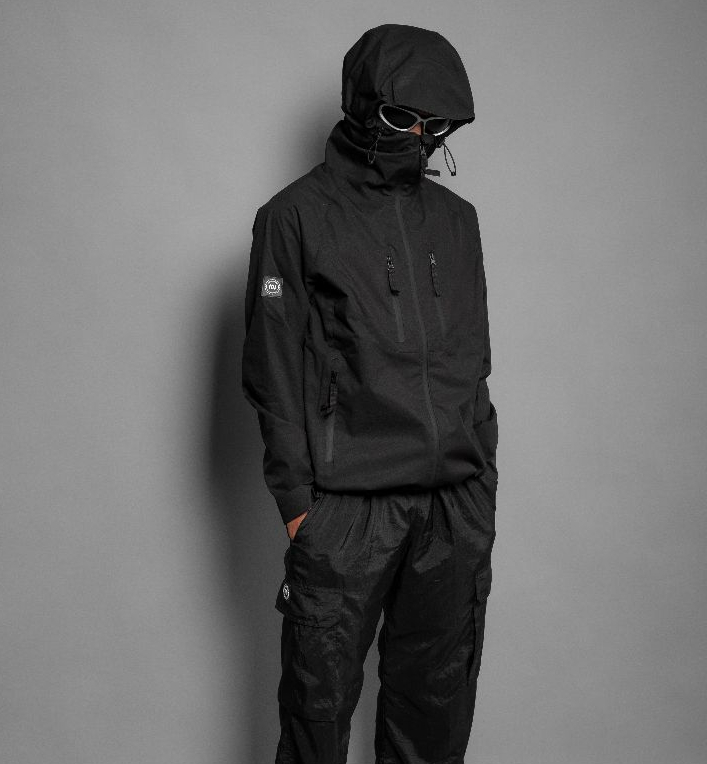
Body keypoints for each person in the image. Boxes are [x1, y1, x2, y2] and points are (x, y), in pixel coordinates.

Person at [242, 23, 499, 764]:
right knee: (317, 718)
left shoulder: (457, 221)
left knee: (435, 717)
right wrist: (299, 506)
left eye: (435, 126)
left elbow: (475, 361)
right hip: (345, 509)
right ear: (361, 104)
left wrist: (479, 483)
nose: (419, 138)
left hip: (451, 509)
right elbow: (271, 370)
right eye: (400, 117)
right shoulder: (293, 217)